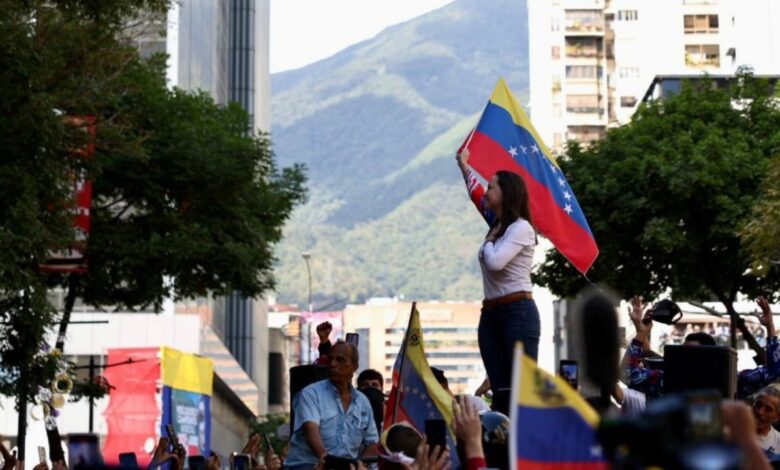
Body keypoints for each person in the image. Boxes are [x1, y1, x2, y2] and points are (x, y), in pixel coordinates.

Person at [456, 146, 540, 400]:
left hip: (517, 313)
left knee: (520, 392)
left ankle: (522, 437)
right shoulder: (499, 225)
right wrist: (464, 166)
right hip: (491, 314)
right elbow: (476, 193)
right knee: (501, 391)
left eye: (492, 186)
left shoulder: (521, 228)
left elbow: (495, 263)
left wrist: (491, 239)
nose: (487, 190)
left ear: (507, 194)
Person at [626, 296, 780, 400]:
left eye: (693, 355)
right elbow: (627, 375)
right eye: (682, 354)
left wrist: (770, 327)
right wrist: (641, 333)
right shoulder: (667, 379)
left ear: (712, 358)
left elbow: (773, 371)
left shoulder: (732, 381)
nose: (685, 360)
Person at [285, 341, 379, 469]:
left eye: (340, 360)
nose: (333, 364)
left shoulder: (363, 402)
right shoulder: (311, 393)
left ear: (354, 367)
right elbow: (310, 429)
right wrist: (329, 464)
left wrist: (359, 464)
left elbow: (372, 444)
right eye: (331, 359)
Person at [752, 385, 780, 457]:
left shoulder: (778, 441)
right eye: (758, 405)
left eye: (768, 409)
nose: (760, 412)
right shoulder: (734, 431)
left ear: (777, 417)